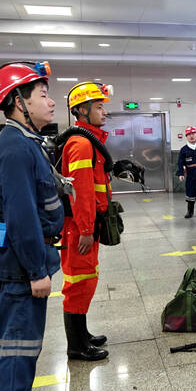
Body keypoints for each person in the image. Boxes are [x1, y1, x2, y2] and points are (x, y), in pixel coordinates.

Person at [0, 60, 64, 391]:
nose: (51, 102)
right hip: (20, 265)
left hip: (18, 259)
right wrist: (36, 270)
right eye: (43, 95)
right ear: (19, 101)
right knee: (17, 343)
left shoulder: (22, 140)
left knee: (26, 341)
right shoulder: (16, 147)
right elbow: (21, 216)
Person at [59, 81, 115, 362]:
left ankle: (82, 334)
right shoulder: (81, 144)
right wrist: (85, 229)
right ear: (82, 110)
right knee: (79, 282)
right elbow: (80, 192)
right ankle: (76, 345)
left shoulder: (89, 141)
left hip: (87, 224)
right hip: (79, 227)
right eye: (99, 107)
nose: (104, 112)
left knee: (86, 279)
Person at [176, 126, 196, 219]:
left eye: (193, 134)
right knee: (190, 194)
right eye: (189, 135)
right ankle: (190, 211)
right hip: (191, 175)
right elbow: (180, 162)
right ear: (186, 137)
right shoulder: (184, 149)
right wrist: (181, 173)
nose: (191, 136)